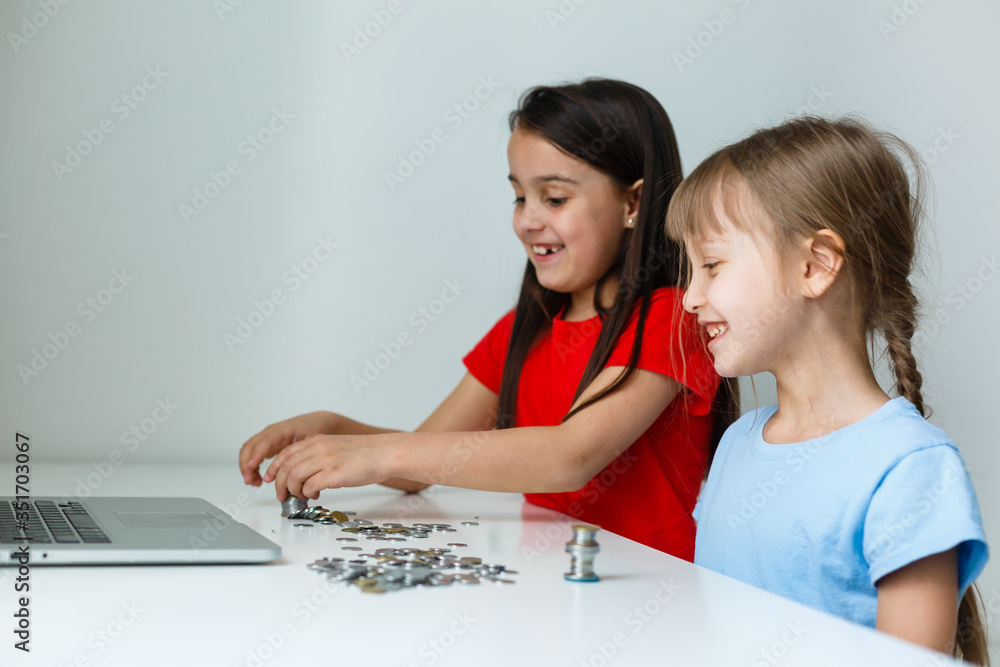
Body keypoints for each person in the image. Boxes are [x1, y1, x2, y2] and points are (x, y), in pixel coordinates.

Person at [238, 78, 737, 560]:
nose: (526, 219)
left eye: (555, 198)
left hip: (649, 586)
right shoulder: (523, 330)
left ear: (633, 202)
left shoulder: (672, 316)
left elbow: (569, 457)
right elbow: (419, 463)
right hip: (548, 577)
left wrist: (375, 453)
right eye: (520, 195)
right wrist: (333, 431)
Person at [667, 116, 989, 661]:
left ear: (815, 265)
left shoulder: (909, 468)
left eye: (712, 265)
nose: (688, 297)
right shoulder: (737, 444)